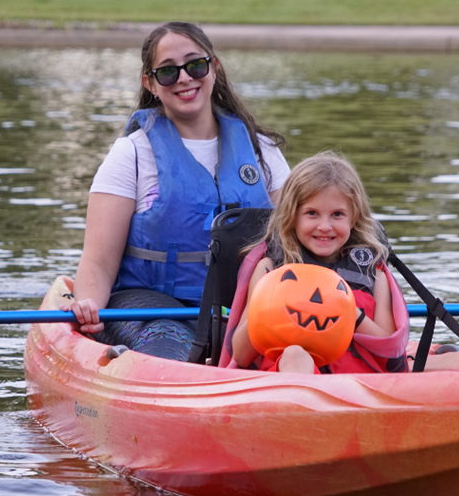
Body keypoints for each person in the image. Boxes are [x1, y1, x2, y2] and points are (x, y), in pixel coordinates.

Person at [62, 21, 290, 360]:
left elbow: (296, 240)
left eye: (195, 65)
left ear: (214, 68)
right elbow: (98, 260)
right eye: (168, 72)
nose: (184, 78)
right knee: (167, 341)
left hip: (245, 305)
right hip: (149, 308)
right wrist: (91, 309)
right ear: (150, 83)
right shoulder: (133, 155)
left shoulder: (262, 151)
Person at [225, 152, 411, 374]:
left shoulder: (373, 272)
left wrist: (348, 314)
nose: (325, 226)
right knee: (295, 354)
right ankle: (303, 399)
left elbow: (390, 350)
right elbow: (241, 354)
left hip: (358, 385)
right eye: (312, 213)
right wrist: (271, 308)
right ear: (292, 216)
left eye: (337, 214)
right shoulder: (268, 269)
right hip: (286, 375)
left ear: (354, 217)